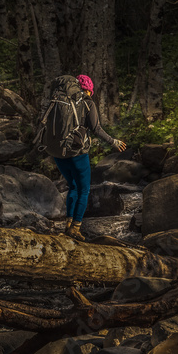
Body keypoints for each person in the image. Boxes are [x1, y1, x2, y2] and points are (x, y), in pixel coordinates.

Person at [53, 74, 126, 241]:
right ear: (88, 90)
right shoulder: (87, 103)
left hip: (58, 153)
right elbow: (96, 129)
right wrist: (113, 141)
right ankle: (75, 228)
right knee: (84, 189)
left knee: (72, 187)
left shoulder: (60, 102)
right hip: (77, 153)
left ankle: (67, 224)